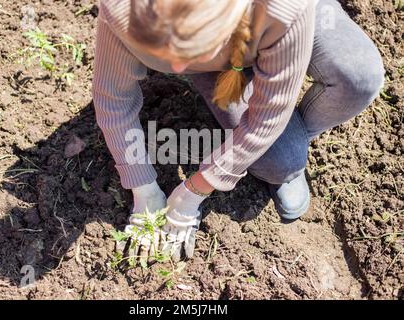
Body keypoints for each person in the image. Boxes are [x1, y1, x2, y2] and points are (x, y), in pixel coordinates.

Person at [92, 0, 384, 263]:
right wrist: (143, 188)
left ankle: (294, 135)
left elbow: (269, 115)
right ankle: (283, 142)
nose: (178, 67)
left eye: (189, 54)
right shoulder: (122, 9)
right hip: (230, 43)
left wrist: (195, 189)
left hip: (270, 22)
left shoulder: (283, 8)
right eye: (165, 55)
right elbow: (112, 100)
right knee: (278, 160)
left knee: (357, 78)